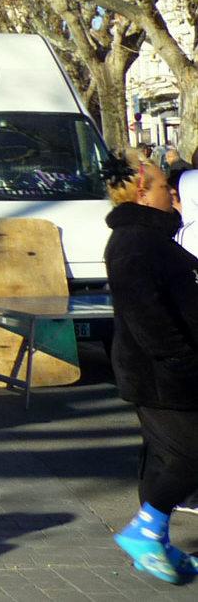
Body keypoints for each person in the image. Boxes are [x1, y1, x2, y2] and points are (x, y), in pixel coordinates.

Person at [103, 151, 198, 585]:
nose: (172, 194)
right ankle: (146, 529)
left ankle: (153, 540)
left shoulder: (151, 239)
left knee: (166, 455)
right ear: (141, 192)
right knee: (189, 455)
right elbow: (146, 312)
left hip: (165, 371)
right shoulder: (134, 242)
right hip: (164, 375)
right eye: (165, 187)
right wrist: (179, 359)